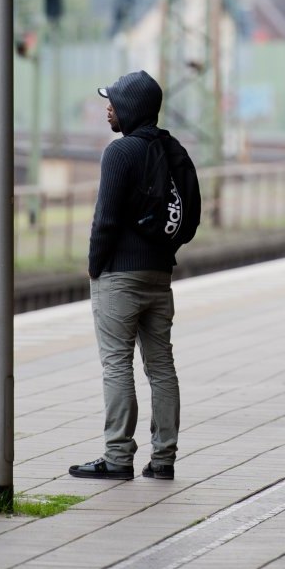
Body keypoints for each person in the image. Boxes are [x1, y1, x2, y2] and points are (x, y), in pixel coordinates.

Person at [69, 70, 182, 481]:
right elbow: (189, 212)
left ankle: (117, 457)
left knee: (116, 365)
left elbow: (106, 220)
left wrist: (94, 267)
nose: (107, 108)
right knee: (162, 367)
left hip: (119, 276)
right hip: (159, 275)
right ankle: (164, 459)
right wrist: (165, 250)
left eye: (113, 102)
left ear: (130, 108)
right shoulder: (172, 149)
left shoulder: (119, 153)